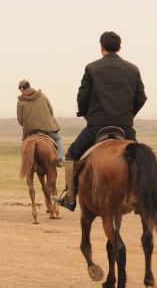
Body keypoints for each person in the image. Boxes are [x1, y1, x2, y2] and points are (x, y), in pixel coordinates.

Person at [57, 32, 147, 211]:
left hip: (97, 126)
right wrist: (128, 116)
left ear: (101, 47)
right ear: (120, 47)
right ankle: (141, 200)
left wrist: (85, 113)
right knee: (141, 160)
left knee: (72, 155)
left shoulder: (92, 68)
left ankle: (70, 198)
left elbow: (82, 96)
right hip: (125, 126)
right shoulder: (133, 69)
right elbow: (141, 97)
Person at [16, 79, 64, 165]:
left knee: (25, 145)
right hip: (48, 128)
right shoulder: (42, 96)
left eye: (20, 89)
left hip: (30, 130)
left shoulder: (20, 101)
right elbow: (51, 111)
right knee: (58, 139)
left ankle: (26, 163)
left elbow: (20, 120)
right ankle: (60, 159)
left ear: (22, 88)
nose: (20, 91)